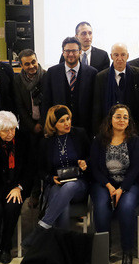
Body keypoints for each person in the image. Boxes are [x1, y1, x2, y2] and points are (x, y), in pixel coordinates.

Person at [89, 104, 139, 264]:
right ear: (110, 119)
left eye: (125, 117)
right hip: (104, 183)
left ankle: (127, 251)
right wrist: (109, 186)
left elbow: (135, 168)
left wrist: (121, 189)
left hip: (130, 183)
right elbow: (94, 167)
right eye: (118, 117)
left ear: (129, 121)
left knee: (126, 208)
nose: (121, 120)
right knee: (101, 208)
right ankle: (104, 250)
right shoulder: (99, 139)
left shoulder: (134, 140)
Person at [29, 106, 90, 236]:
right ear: (53, 125)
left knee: (69, 186)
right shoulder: (46, 142)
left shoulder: (80, 134)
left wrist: (85, 163)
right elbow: (39, 170)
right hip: (56, 184)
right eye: (62, 121)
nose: (67, 123)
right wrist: (51, 179)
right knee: (63, 204)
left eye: (68, 119)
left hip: (78, 184)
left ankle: (43, 227)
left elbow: (92, 157)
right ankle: (62, 247)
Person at [0, 111, 31, 264]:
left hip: (14, 187)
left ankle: (6, 247)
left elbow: (30, 169)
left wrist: (19, 187)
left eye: (13, 129)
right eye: (5, 131)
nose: (10, 134)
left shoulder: (22, 139)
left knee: (12, 207)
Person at [42, 37, 98, 134]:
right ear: (63, 52)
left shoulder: (92, 73)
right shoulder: (52, 72)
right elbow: (47, 101)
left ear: (80, 51)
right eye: (67, 51)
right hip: (59, 128)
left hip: (85, 127)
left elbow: (95, 103)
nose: (71, 54)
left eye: (74, 51)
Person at [12, 49, 46, 200]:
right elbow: (19, 106)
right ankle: (34, 192)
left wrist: (41, 123)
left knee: (43, 160)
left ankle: (46, 191)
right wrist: (32, 126)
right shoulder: (18, 80)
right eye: (27, 64)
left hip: (46, 126)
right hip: (28, 127)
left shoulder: (46, 76)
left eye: (33, 62)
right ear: (21, 65)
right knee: (30, 160)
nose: (32, 66)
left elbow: (50, 102)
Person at [92, 43, 139, 132]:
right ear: (111, 56)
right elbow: (97, 107)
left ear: (128, 56)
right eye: (116, 55)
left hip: (133, 128)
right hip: (108, 129)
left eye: (123, 55)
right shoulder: (101, 77)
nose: (120, 58)